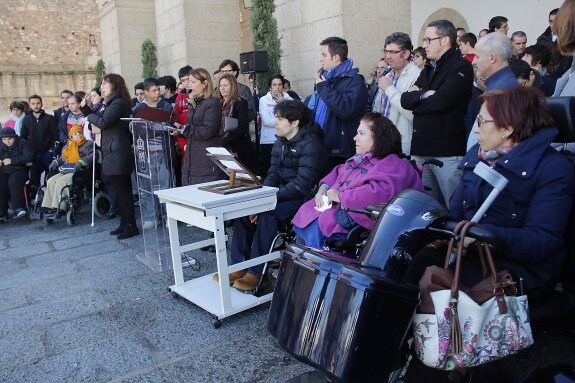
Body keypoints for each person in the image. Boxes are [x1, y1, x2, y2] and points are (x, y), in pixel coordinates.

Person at [403, 86, 575, 383]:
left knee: (442, 293)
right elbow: (456, 211)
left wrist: (485, 236)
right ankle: (400, 348)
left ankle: (432, 367)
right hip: (474, 250)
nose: (476, 129)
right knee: (409, 264)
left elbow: (545, 238)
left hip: (518, 265)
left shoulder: (553, 168)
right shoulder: (478, 156)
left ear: (508, 128)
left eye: (482, 122)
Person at [221, 100, 328, 292]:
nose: (275, 122)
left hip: (303, 199)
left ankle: (256, 272)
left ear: (295, 122)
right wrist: (261, 200)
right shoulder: (280, 141)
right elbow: (272, 174)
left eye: (280, 118)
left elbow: (302, 185)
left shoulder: (311, 144)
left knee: (268, 215)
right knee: (245, 210)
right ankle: (239, 266)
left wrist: (270, 200)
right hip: (280, 193)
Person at [292, 113, 423, 249]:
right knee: (304, 213)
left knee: (316, 225)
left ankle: (311, 267)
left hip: (359, 218)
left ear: (378, 137)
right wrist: (323, 188)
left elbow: (379, 193)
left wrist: (340, 196)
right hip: (334, 208)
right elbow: (339, 171)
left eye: (361, 133)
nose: (355, 138)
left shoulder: (395, 164)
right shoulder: (362, 158)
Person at [401, 20, 474, 207]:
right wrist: (425, 95)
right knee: (423, 208)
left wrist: (418, 97)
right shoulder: (428, 68)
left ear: (444, 40)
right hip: (420, 150)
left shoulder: (461, 66)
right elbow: (405, 100)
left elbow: (441, 101)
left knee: (455, 207)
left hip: (446, 152)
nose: (424, 45)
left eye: (428, 39)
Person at [83, 73, 139, 240]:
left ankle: (131, 225)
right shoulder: (110, 103)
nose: (101, 87)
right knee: (118, 190)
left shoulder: (119, 103)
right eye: (101, 84)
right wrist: (87, 109)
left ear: (115, 85)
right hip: (112, 150)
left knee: (123, 191)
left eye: (105, 84)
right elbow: (101, 119)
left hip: (118, 151)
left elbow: (103, 123)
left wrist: (87, 113)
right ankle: (124, 222)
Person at [308, 36, 369, 168]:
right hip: (320, 147)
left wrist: (323, 88)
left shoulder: (355, 81)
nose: (320, 58)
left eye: (324, 55)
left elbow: (346, 110)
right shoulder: (324, 79)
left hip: (340, 152)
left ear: (336, 57)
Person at [132, 77, 175, 230]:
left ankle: (167, 216)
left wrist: (152, 127)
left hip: (163, 150)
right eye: (154, 91)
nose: (157, 93)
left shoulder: (166, 106)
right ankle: (151, 216)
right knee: (147, 187)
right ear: (146, 92)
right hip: (145, 152)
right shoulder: (138, 109)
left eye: (158, 90)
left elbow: (169, 125)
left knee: (166, 185)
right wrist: (153, 127)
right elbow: (134, 128)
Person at [173, 68, 223, 185]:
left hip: (205, 158)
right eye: (188, 81)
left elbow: (208, 131)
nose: (189, 85)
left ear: (205, 84)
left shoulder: (212, 102)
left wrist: (185, 129)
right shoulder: (193, 102)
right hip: (193, 155)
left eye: (193, 82)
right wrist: (179, 129)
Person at [375, 32, 421, 155]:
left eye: (393, 52)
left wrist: (389, 89)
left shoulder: (417, 75)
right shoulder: (388, 75)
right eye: (386, 51)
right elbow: (378, 109)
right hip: (382, 141)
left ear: (406, 54)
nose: (388, 57)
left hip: (404, 144)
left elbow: (413, 114)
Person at [41, 125, 93, 214]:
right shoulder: (67, 146)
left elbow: (91, 156)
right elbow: (63, 158)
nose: (78, 135)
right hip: (66, 169)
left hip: (79, 171)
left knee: (61, 181)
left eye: (80, 133)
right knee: (51, 180)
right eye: (75, 134)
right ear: (71, 136)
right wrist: (56, 162)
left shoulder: (88, 144)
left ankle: (59, 206)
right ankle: (48, 206)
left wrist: (81, 162)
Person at [218, 73, 259, 174]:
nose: (222, 88)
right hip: (222, 146)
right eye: (220, 85)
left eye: (225, 85)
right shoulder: (218, 103)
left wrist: (224, 142)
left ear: (233, 86)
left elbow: (242, 128)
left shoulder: (241, 102)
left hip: (239, 146)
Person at [20, 94, 58, 188]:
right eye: (33, 104)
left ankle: (48, 196)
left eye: (38, 103)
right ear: (30, 105)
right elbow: (23, 137)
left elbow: (55, 135)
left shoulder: (49, 118)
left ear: (41, 104)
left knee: (50, 175)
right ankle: (35, 197)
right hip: (33, 154)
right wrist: (27, 151)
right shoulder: (26, 119)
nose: (36, 106)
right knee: (34, 178)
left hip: (47, 153)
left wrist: (52, 149)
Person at [258, 74, 293, 177]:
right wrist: (284, 121)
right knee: (268, 171)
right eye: (274, 85)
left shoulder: (289, 100)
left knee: (283, 171)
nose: (277, 87)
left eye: (280, 84)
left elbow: (294, 119)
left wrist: (283, 104)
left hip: (285, 140)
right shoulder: (263, 100)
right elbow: (267, 121)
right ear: (270, 87)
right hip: (268, 140)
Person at [0, 127, 33, 221]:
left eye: (10, 139)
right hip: (3, 170)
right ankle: (2, 212)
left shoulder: (22, 143)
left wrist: (12, 160)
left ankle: (19, 208)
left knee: (14, 182)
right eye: (4, 139)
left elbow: (29, 156)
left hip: (19, 169)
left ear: (14, 137)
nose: (8, 141)